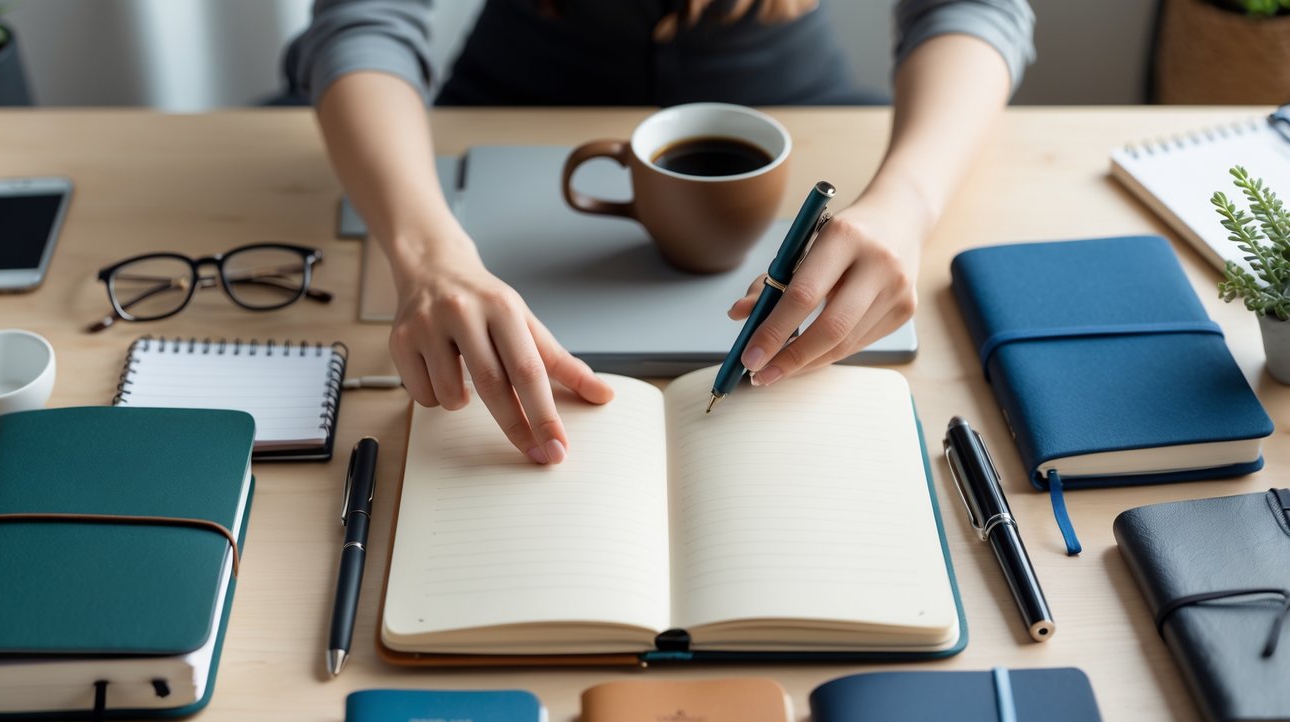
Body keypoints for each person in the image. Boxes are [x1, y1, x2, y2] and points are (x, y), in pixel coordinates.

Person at [286, 0, 1035, 465]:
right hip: (508, 91)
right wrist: (427, 254)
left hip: (796, 97)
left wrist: (905, 204)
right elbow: (362, 21)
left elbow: (973, 8)